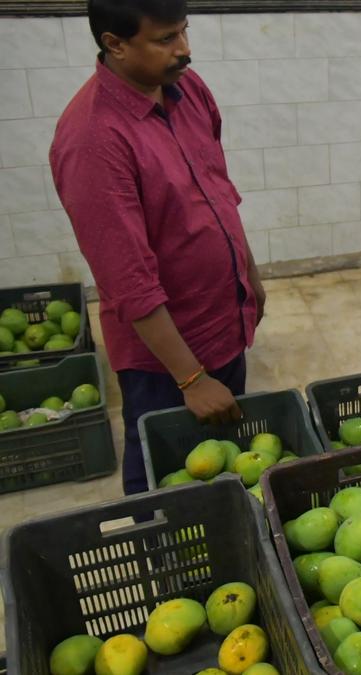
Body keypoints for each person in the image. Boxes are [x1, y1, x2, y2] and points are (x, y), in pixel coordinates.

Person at [50, 0, 265, 495]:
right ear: (115, 44)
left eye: (185, 32)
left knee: (223, 459)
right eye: (166, 39)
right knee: (161, 474)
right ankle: (159, 552)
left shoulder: (187, 89)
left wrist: (248, 274)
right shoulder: (93, 139)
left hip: (223, 323)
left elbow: (218, 190)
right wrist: (190, 379)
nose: (184, 50)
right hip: (164, 358)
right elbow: (127, 280)